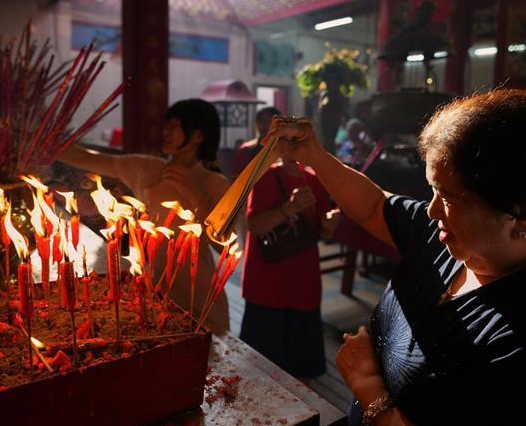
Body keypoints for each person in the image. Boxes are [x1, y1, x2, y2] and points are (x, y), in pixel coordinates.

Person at [269, 89, 526, 426]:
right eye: (432, 190)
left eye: (448, 196)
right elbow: (375, 205)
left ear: (524, 213)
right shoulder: (451, 238)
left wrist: (369, 387)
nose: (432, 210)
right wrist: (313, 155)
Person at [58, 99, 231, 334]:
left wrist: (194, 194)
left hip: (200, 295)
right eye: (166, 125)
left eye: (174, 125)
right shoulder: (149, 168)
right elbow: (87, 159)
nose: (166, 131)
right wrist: (43, 141)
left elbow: (227, 247)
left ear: (198, 135)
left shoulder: (215, 183)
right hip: (159, 291)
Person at [239, 155, 339, 378]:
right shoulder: (264, 177)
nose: (293, 148)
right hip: (267, 285)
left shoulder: (314, 180)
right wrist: (290, 208)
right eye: (286, 140)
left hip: (303, 283)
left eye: (298, 141)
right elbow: (254, 226)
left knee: (302, 373)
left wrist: (329, 224)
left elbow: (320, 229)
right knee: (259, 371)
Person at [232, 106, 281, 180]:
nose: (265, 126)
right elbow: (237, 180)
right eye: (262, 121)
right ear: (256, 124)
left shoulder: (287, 151)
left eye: (270, 122)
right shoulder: (246, 151)